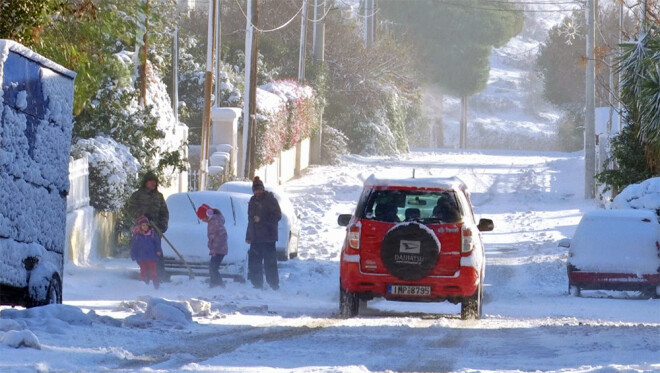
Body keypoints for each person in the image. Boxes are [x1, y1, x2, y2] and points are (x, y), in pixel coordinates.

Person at [127, 171, 169, 280]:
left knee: (157, 251)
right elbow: (130, 209)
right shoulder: (137, 195)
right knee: (144, 252)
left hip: (155, 229)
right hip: (142, 230)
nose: (154, 184)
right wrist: (141, 216)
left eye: (155, 182)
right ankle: (145, 274)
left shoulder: (159, 196)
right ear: (146, 182)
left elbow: (164, 212)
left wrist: (163, 225)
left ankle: (160, 274)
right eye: (151, 181)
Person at [245, 176, 282, 290]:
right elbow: (250, 220)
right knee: (254, 262)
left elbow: (277, 216)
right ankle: (257, 285)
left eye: (259, 189)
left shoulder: (270, 199)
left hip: (268, 237)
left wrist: (262, 219)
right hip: (256, 238)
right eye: (255, 189)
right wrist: (249, 236)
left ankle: (273, 285)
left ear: (263, 188)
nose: (258, 191)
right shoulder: (252, 201)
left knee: (270, 263)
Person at [196, 203, 228, 288]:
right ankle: (214, 284)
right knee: (212, 268)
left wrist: (214, 248)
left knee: (213, 268)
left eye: (202, 218)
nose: (202, 220)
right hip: (217, 249)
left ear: (207, 215)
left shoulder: (215, 221)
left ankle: (219, 285)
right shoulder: (212, 221)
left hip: (219, 249)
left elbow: (222, 235)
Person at [130, 216, 163, 289]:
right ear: (140, 226)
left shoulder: (153, 234)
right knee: (143, 272)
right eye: (143, 225)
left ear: (148, 225)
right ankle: (143, 285)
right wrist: (133, 255)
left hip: (152, 257)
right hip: (142, 257)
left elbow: (157, 243)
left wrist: (158, 250)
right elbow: (134, 246)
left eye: (146, 225)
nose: (145, 227)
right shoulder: (137, 236)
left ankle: (156, 285)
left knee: (153, 272)